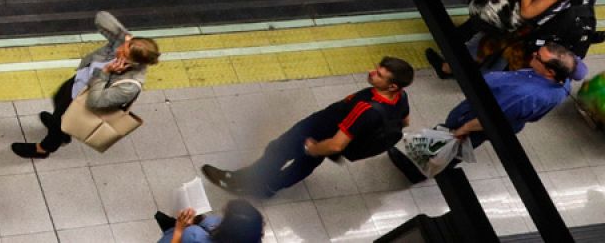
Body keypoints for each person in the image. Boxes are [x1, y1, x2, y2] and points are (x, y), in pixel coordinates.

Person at [202, 57, 413, 199]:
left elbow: (337, 145)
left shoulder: (366, 109)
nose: (371, 73)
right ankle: (270, 187)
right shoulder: (400, 97)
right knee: (305, 165)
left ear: (392, 85)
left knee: (278, 149)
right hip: (330, 133)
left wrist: (313, 148)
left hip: (321, 133)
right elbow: (405, 122)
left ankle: (245, 182)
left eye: (379, 74)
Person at [389, 43, 578, 183]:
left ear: (550, 72)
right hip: (492, 115)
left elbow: (489, 119)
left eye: (539, 57)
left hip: (474, 120)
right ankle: (434, 161)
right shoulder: (562, 80)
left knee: (449, 141)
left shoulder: (525, 95)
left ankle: (415, 170)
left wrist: (461, 129)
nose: (534, 54)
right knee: (451, 144)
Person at [427, 0, 605, 78]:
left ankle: (446, 69)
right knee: (502, 58)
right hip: (538, 32)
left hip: (522, 25)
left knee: (480, 46)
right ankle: (487, 82)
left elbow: (527, 12)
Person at [12, 10, 161, 159]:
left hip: (82, 100)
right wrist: (124, 35)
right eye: (125, 45)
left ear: (133, 62)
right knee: (58, 98)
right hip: (77, 82)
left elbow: (94, 102)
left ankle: (44, 148)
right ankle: (61, 129)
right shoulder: (123, 44)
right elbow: (101, 17)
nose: (119, 48)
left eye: (124, 52)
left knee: (60, 122)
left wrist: (105, 72)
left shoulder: (129, 87)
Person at [154, 200, 265, 243]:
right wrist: (198, 218)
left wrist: (179, 229)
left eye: (225, 217)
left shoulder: (193, 236)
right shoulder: (251, 237)